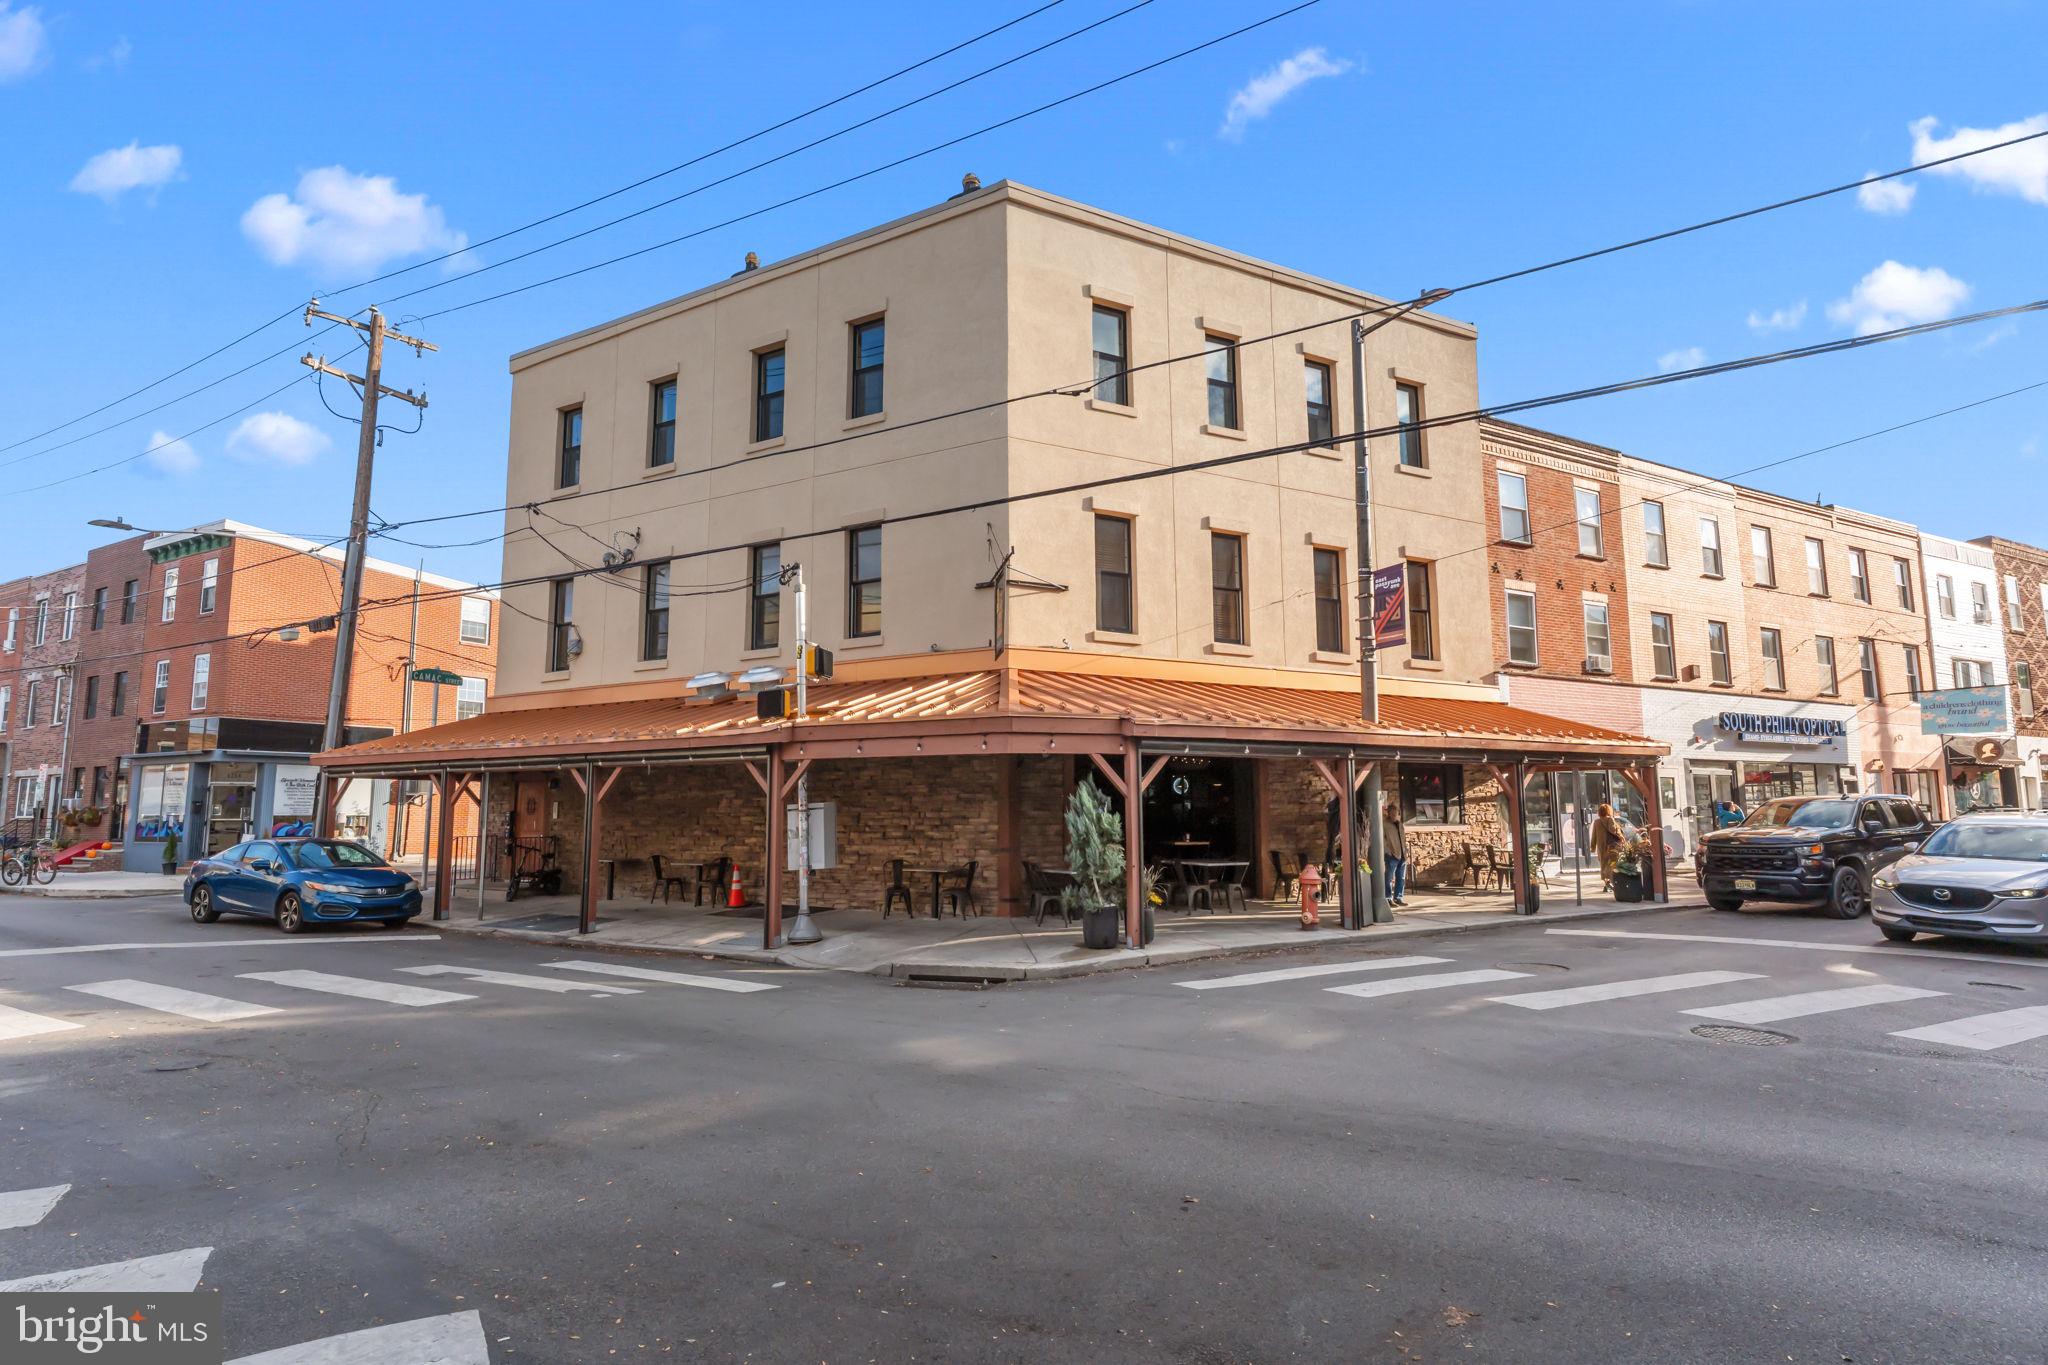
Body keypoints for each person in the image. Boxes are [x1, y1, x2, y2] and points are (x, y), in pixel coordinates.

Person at [1590, 802, 1627, 891]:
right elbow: (1613, 830)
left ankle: (1607, 884)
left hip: (1601, 848)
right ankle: (1611, 883)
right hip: (1611, 847)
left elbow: (1594, 836)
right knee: (1612, 865)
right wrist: (1622, 837)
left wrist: (1593, 847)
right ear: (1609, 811)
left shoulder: (1596, 822)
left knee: (1604, 865)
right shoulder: (1610, 819)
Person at [1382, 798, 1408, 907]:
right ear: (1388, 813)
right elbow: (1383, 840)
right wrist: (1388, 852)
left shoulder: (1400, 824)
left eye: (1395, 813)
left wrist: (1405, 852)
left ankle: (1398, 897)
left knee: (1401, 877)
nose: (1394, 816)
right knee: (1389, 878)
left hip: (1402, 854)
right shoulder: (1384, 824)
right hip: (1392, 855)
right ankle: (1388, 898)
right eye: (1392, 813)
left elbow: (1403, 838)